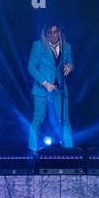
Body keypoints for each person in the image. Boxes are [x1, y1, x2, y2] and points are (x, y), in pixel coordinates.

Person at [28, 22, 74, 151]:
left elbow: (70, 62)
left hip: (59, 88)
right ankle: (32, 151)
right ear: (46, 34)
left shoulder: (67, 47)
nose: (53, 35)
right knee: (38, 118)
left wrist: (70, 66)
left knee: (64, 119)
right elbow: (31, 67)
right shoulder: (38, 46)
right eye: (50, 33)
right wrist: (44, 83)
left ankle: (70, 151)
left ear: (59, 32)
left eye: (55, 32)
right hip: (42, 87)